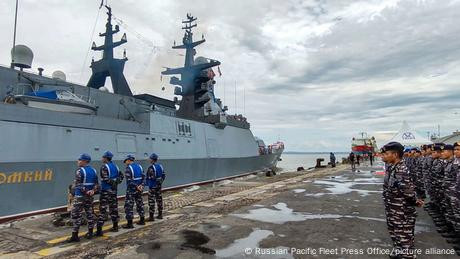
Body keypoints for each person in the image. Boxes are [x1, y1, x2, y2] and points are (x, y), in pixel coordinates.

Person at [381, 142, 419, 259]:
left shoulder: (401, 170)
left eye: (386, 154)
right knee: (396, 235)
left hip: (402, 211)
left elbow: (408, 193)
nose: (383, 156)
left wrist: (416, 201)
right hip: (393, 209)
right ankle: (399, 252)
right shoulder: (393, 168)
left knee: (404, 238)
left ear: (395, 154)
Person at [67, 153, 99, 243]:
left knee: (76, 215)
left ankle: (75, 236)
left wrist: (85, 191)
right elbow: (96, 183)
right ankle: (90, 233)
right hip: (89, 197)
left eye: (79, 160)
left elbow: (78, 184)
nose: (78, 161)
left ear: (84, 161)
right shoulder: (93, 170)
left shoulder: (79, 171)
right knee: (89, 214)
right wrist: (92, 190)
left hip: (80, 196)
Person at [96, 151, 123, 236]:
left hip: (105, 191)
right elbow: (121, 176)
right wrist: (116, 183)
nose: (102, 159)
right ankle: (115, 226)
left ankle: (99, 230)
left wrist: (111, 183)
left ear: (105, 158)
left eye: (103, 157)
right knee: (114, 208)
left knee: (103, 209)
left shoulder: (104, 167)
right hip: (114, 191)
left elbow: (105, 178)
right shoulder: (116, 166)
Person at [123, 155, 145, 228]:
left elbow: (129, 181)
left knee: (129, 206)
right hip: (139, 190)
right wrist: (141, 186)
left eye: (126, 161)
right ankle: (142, 220)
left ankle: (130, 223)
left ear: (129, 160)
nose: (125, 162)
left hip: (131, 190)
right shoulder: (140, 167)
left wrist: (136, 186)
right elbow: (143, 178)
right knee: (140, 204)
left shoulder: (128, 168)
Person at [146, 153, 166, 221]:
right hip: (159, 186)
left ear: (152, 160)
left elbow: (150, 177)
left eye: (150, 158)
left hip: (152, 187)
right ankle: (160, 214)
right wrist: (160, 182)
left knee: (151, 201)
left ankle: (151, 217)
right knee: (159, 200)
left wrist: (147, 184)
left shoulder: (151, 168)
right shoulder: (160, 166)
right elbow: (163, 176)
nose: (149, 159)